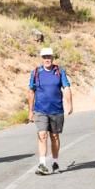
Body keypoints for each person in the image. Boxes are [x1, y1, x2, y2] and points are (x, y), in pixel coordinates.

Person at [28, 47, 73, 175]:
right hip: (40, 110)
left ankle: (55, 162)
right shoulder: (36, 72)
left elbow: (66, 87)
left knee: (54, 136)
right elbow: (31, 91)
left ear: (53, 58)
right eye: (44, 57)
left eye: (49, 57)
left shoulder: (59, 71)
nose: (47, 59)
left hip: (56, 109)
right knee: (42, 135)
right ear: (41, 58)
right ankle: (42, 164)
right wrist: (30, 111)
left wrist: (70, 104)